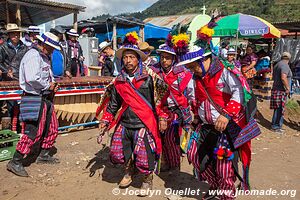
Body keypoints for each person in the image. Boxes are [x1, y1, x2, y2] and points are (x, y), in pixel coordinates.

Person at [178, 23, 261, 200]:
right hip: (205, 127)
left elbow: (240, 90)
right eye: (191, 67)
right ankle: (214, 186)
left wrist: (225, 114)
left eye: (195, 66)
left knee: (223, 164)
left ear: (206, 59)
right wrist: (194, 117)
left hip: (225, 129)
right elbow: (195, 99)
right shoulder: (196, 77)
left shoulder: (225, 71)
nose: (193, 70)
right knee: (194, 155)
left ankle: (226, 194)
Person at [97, 32, 163, 195]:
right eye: (125, 57)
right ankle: (129, 172)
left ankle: (147, 180)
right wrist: (106, 120)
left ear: (138, 59)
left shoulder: (150, 78)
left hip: (144, 123)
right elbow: (113, 104)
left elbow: (160, 100)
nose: (128, 61)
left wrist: (162, 117)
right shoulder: (118, 81)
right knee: (120, 152)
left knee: (144, 154)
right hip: (125, 122)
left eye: (131, 57)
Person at [7, 32, 60, 177]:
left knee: (51, 126)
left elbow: (48, 74)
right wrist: (48, 85)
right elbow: (32, 78)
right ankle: (15, 161)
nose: (52, 50)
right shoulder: (33, 55)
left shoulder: (43, 56)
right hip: (33, 96)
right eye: (51, 47)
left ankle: (43, 154)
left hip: (44, 96)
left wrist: (52, 84)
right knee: (32, 131)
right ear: (44, 44)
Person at [151, 39, 195, 173]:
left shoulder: (183, 73)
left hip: (177, 111)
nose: (164, 61)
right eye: (162, 57)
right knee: (159, 137)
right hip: (158, 110)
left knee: (171, 138)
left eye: (168, 58)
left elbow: (191, 93)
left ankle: (175, 165)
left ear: (174, 59)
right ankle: (163, 162)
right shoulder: (153, 72)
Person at [270, 52, 292, 133]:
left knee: (277, 108)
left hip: (277, 89)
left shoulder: (277, 64)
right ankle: (276, 126)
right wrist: (288, 88)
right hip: (281, 90)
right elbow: (283, 77)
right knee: (280, 109)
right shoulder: (285, 65)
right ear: (289, 59)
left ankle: (275, 125)